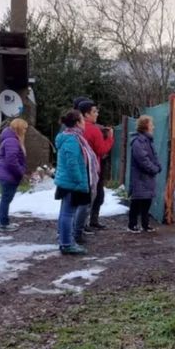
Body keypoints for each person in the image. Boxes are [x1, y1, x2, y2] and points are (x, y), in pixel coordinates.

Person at [54, 109, 97, 255]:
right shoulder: (72, 139)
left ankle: (65, 241)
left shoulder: (71, 137)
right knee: (68, 214)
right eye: (82, 120)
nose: (84, 123)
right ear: (77, 123)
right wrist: (79, 179)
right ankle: (66, 244)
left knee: (65, 213)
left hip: (68, 182)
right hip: (71, 183)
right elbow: (72, 162)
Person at [74, 97, 114, 232]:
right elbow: (102, 149)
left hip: (77, 168)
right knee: (92, 197)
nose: (97, 114)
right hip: (91, 168)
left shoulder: (72, 129)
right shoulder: (93, 130)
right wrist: (110, 138)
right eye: (95, 111)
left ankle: (82, 225)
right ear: (86, 114)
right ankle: (82, 226)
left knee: (79, 199)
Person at [128, 115, 162, 233]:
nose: (153, 126)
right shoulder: (139, 141)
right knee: (137, 201)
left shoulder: (147, 140)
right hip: (141, 176)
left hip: (147, 176)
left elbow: (153, 156)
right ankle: (132, 225)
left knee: (146, 201)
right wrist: (154, 168)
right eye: (151, 124)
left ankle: (145, 224)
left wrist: (157, 166)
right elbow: (143, 160)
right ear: (146, 126)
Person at [0, 118, 27, 232]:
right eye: (25, 128)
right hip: (8, 175)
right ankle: (3, 223)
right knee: (6, 199)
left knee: (5, 199)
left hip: (6, 174)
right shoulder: (12, 141)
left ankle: (4, 221)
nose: (25, 131)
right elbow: (11, 160)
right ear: (19, 128)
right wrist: (20, 172)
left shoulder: (10, 139)